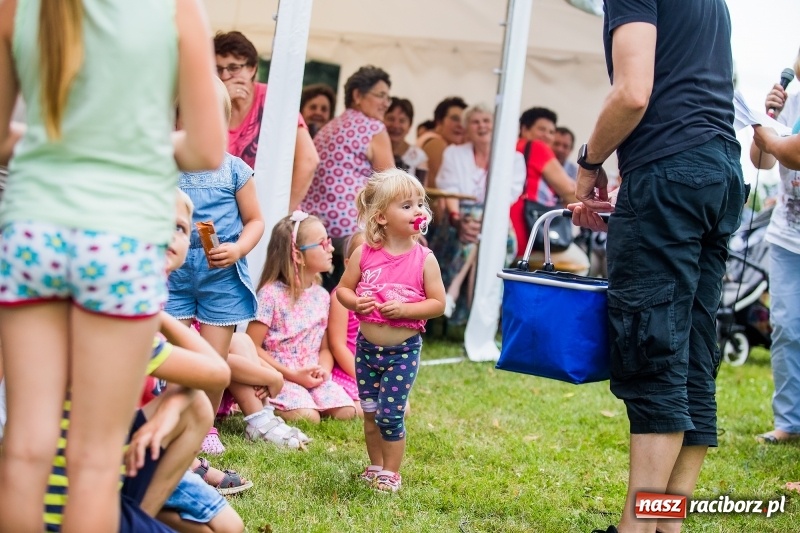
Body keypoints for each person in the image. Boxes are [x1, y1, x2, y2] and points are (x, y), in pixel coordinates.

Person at [0, 0, 226, 531]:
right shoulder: (177, 9)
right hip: (122, 238)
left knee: (24, 448)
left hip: (34, 230)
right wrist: (125, 145)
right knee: (95, 463)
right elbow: (206, 149)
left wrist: (59, 143)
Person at [570, 2, 745, 533]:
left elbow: (632, 92)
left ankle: (636, 528)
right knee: (691, 350)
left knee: (652, 349)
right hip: (719, 169)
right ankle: (666, 523)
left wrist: (589, 162)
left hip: (672, 175)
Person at [167, 76, 264, 455]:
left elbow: (255, 220)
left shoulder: (235, 169)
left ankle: (204, 425)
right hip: (172, 272)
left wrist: (238, 249)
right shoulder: (164, 166)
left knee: (212, 358)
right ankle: (174, 417)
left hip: (221, 275)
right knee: (176, 354)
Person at [337, 169, 446, 492]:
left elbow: (438, 303)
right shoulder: (365, 254)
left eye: (418, 204)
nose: (417, 211)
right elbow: (343, 290)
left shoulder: (424, 259)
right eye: (407, 206)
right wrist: (356, 303)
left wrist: (406, 311)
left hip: (402, 352)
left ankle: (391, 472)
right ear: (382, 217)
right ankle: (375, 465)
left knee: (389, 415)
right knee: (369, 413)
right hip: (366, 350)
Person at [246, 211, 357, 423]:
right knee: (309, 417)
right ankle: (272, 403)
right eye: (322, 244)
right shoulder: (271, 295)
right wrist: (292, 375)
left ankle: (309, 398)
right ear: (297, 255)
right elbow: (253, 346)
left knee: (346, 411)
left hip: (312, 373)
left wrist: (322, 371)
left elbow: (324, 348)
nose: (331, 248)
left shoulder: (322, 296)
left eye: (329, 242)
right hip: (282, 374)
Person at [749, 50, 800, 465]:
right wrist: (766, 120)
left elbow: (793, 153)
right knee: (785, 325)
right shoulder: (792, 99)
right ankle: (789, 421)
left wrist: (769, 134)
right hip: (786, 235)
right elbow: (762, 160)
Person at [301, 65, 394, 289]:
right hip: (351, 227)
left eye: (388, 98)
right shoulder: (373, 128)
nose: (385, 103)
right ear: (357, 95)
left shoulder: (330, 126)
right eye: (380, 95)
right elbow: (392, 185)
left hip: (315, 225)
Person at [434, 104, 525, 322]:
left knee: (482, 236)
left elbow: (508, 196)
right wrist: (457, 219)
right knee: (476, 240)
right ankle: (479, 318)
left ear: (496, 125)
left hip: (494, 220)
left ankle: (453, 292)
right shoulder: (454, 153)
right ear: (467, 128)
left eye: (486, 120)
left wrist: (484, 221)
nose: (482, 126)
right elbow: (450, 192)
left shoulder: (513, 158)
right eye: (475, 121)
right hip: (460, 221)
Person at [214, 31, 319, 210]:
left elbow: (309, 160)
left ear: (252, 68)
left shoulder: (273, 99)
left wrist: (282, 212)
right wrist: (220, 103)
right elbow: (210, 161)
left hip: (269, 209)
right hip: (222, 212)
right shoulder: (208, 103)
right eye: (218, 69)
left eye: (233, 68)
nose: (225, 76)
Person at [510, 107, 583, 272]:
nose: (547, 136)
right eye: (541, 129)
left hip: (509, 225)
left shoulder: (511, 147)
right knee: (580, 264)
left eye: (551, 131)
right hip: (528, 232)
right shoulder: (537, 147)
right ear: (524, 129)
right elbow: (571, 191)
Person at [327, 232, 366, 417]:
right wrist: (362, 377)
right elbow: (337, 346)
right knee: (352, 411)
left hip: (372, 368)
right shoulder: (340, 297)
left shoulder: (380, 294)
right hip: (347, 369)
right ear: (348, 264)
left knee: (403, 409)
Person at [417, 97, 467, 185]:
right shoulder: (436, 143)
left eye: (463, 120)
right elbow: (436, 188)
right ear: (439, 121)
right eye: (455, 119)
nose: (460, 125)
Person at [385, 97, 428, 183]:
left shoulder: (419, 156)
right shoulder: (371, 149)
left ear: (410, 125)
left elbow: (422, 192)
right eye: (391, 119)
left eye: (402, 121)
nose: (396, 125)